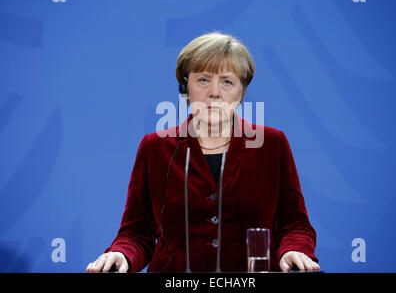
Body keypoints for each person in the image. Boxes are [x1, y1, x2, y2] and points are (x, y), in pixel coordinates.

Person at [86, 32, 320, 273]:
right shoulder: (155, 147)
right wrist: (122, 254)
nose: (215, 93)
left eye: (227, 82)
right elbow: (136, 232)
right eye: (204, 80)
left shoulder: (272, 145)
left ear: (242, 91)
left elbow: (295, 224)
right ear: (186, 87)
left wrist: (295, 249)